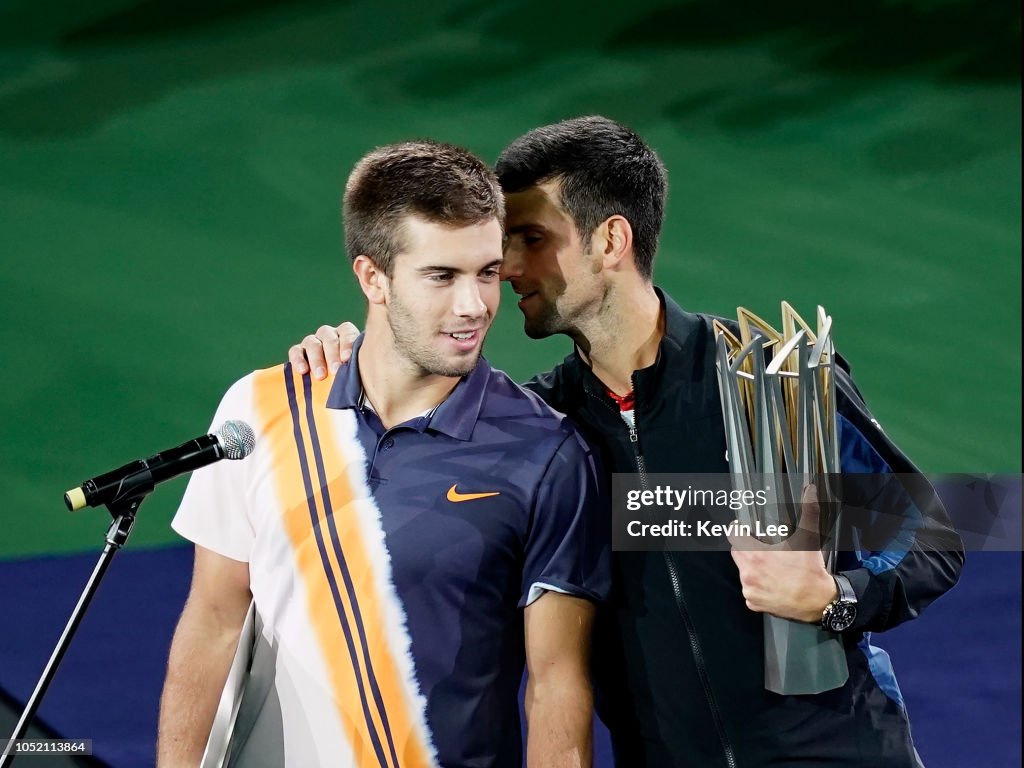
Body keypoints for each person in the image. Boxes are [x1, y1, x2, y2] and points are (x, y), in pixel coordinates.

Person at [291, 116, 965, 767]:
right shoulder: (544, 428)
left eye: (529, 239)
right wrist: (353, 351)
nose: (508, 270)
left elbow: (928, 536)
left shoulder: (766, 379)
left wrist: (836, 598)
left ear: (611, 241)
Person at [159, 139, 610, 767]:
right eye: (442, 276)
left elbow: (556, 685)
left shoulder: (547, 453)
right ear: (373, 277)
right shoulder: (259, 409)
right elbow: (213, 619)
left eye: (486, 272)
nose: (474, 306)